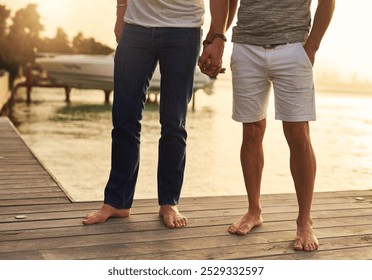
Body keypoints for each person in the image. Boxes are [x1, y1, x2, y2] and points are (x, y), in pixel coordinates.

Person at [199, 0, 335, 251]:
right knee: (251, 131)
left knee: (298, 133)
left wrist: (312, 47)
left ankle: (305, 221)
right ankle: (254, 211)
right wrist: (214, 39)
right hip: (246, 47)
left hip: (293, 48)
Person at [83, 0, 207, 228]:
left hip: (184, 28)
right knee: (124, 118)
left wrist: (217, 36)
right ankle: (117, 201)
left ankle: (169, 202)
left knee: (173, 121)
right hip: (136, 25)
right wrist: (121, 14)